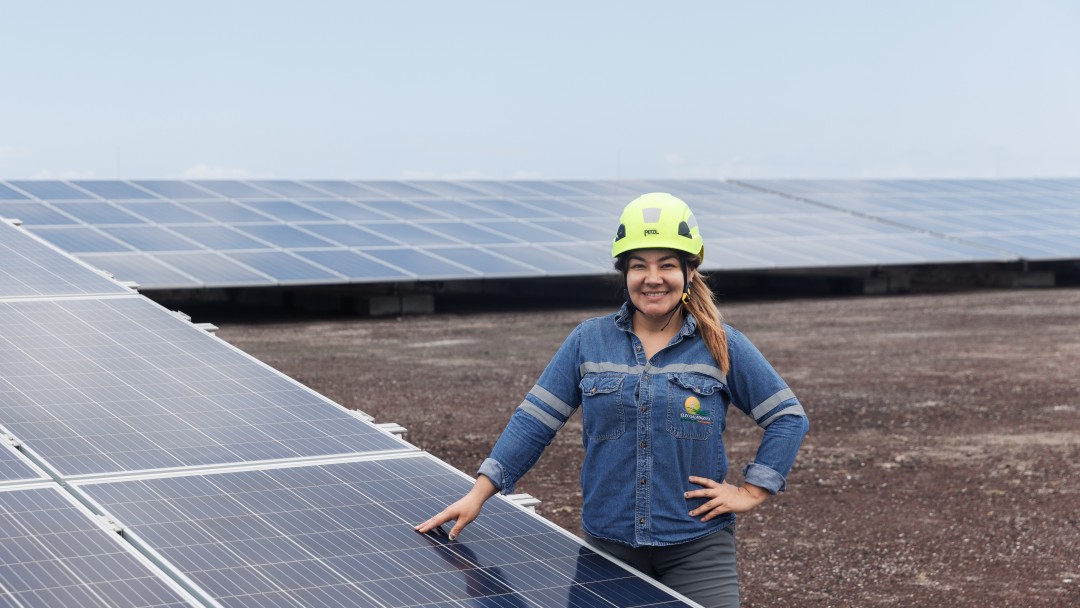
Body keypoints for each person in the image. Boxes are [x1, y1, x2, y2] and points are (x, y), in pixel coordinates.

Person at [417, 192, 809, 607]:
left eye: (667, 265)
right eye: (639, 265)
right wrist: (477, 494)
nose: (652, 278)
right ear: (624, 273)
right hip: (608, 551)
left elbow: (788, 416)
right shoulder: (589, 340)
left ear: (690, 271)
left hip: (698, 548)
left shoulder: (723, 345)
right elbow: (535, 421)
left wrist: (751, 491)